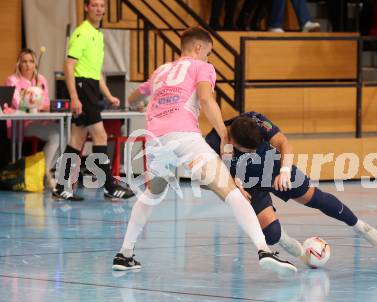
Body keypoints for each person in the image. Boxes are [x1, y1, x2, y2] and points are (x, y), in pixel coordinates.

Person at [112, 26, 297, 275]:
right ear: (199, 48)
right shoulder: (202, 67)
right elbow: (206, 99)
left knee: (151, 194)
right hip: (184, 134)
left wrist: (143, 103)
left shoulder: (161, 71)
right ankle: (264, 250)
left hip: (156, 139)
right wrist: (223, 134)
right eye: (208, 53)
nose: (208, 59)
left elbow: (136, 96)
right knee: (230, 189)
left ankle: (125, 254)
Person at [204, 112, 377, 254]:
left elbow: (283, 142)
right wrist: (234, 186)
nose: (253, 152)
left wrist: (284, 170)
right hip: (249, 186)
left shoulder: (254, 120)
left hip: (273, 167)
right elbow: (207, 181)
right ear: (233, 142)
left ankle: (359, 226)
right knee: (272, 235)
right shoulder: (211, 143)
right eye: (249, 151)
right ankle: (283, 238)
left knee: (317, 199)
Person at [52, 0, 134, 200]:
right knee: (101, 136)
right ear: (87, 8)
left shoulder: (98, 34)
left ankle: (61, 187)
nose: (99, 9)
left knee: (77, 139)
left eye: (102, 6)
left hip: (91, 87)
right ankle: (108, 185)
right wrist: (74, 96)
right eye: (95, 5)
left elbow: (96, 73)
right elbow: (69, 66)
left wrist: (108, 95)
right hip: (81, 88)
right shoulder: (82, 32)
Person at [5, 48, 59, 189]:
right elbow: (17, 104)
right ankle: (45, 174)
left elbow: (46, 102)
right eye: (24, 61)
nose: (28, 65)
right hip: (22, 124)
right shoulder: (12, 80)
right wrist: (34, 103)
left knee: (66, 134)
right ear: (19, 64)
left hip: (41, 121)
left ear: (35, 63)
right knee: (56, 135)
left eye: (31, 61)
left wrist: (44, 107)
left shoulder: (41, 80)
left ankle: (44, 172)